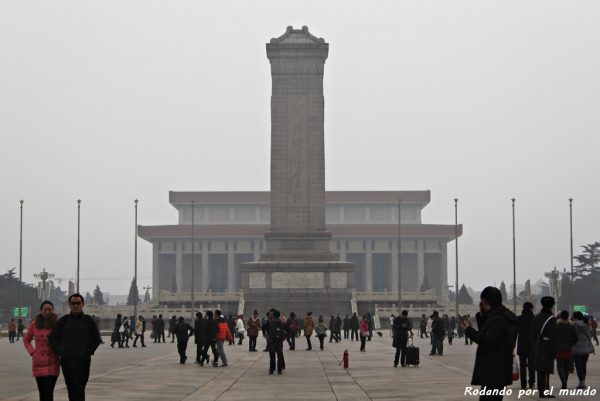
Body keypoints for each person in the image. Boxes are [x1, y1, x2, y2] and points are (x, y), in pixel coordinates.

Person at [461, 286, 517, 401]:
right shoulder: (500, 315)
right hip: (496, 370)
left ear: (485, 302)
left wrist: (468, 330)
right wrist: (482, 316)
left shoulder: (497, 319)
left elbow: (486, 341)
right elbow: (487, 334)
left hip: (493, 372)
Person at [49, 293, 102, 401]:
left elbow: (97, 339)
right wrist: (60, 351)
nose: (75, 305)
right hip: (67, 361)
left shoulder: (88, 321)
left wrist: (88, 351)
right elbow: (52, 337)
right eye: (73, 303)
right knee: (71, 389)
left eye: (78, 303)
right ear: (69, 305)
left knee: (79, 388)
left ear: (82, 304)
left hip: (83, 361)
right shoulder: (63, 321)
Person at [24, 300, 60, 401]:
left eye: (50, 309)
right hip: (38, 363)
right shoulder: (34, 324)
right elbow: (26, 340)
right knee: (42, 393)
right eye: (45, 309)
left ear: (53, 310)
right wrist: (32, 352)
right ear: (40, 311)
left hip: (52, 362)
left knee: (48, 392)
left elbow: (63, 340)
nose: (47, 312)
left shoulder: (57, 324)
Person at [531, 296, 557, 398]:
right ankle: (544, 391)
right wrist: (554, 350)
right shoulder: (551, 319)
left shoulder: (536, 317)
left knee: (540, 371)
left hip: (538, 347)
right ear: (552, 305)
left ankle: (542, 390)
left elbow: (533, 334)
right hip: (547, 348)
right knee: (545, 371)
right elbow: (553, 336)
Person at [555, 310, 578, 390]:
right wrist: (571, 343)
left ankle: (563, 382)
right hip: (568, 348)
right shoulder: (571, 326)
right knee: (566, 366)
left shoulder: (557, 325)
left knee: (560, 365)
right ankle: (565, 381)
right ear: (568, 316)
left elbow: (553, 337)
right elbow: (576, 338)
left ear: (560, 316)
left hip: (559, 348)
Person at [515, 301, 535, 390]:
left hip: (522, 345)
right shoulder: (535, 319)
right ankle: (531, 383)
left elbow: (514, 333)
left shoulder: (519, 319)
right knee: (532, 365)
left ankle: (523, 384)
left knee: (522, 365)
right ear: (531, 308)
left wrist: (511, 345)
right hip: (532, 345)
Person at [572, 311, 594, 389]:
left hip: (576, 348)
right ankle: (583, 381)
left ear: (575, 317)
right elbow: (591, 334)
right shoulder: (588, 324)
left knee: (578, 366)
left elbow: (570, 334)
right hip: (586, 349)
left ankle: (581, 382)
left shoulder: (573, 325)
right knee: (584, 365)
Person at [268, 309, 287, 374]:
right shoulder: (282, 322)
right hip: (279, 341)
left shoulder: (270, 322)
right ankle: (279, 370)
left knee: (272, 356)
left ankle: (271, 369)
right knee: (280, 355)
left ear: (273, 315)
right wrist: (284, 337)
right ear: (279, 315)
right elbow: (285, 330)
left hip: (272, 341)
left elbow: (268, 331)